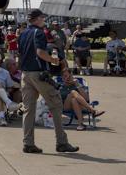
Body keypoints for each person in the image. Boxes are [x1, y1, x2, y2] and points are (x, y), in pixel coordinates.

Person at [19, 9, 78, 153]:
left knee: (28, 109)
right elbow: (40, 52)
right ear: (37, 19)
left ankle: (28, 143)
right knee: (56, 104)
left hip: (25, 74)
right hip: (39, 74)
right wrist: (52, 60)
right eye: (43, 17)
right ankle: (61, 142)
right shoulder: (39, 32)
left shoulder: (23, 33)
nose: (44, 20)